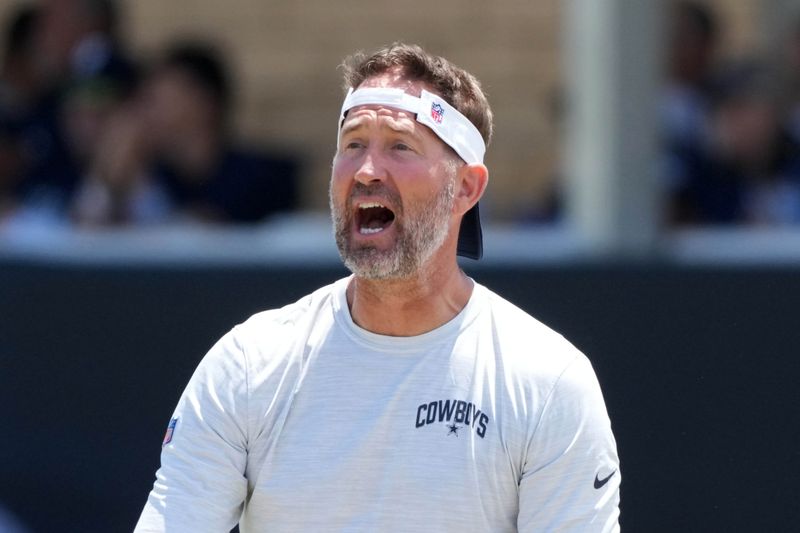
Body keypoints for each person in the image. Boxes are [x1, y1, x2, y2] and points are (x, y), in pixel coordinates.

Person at [135, 43, 620, 532]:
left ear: (466, 188)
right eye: (352, 144)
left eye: (400, 146)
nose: (366, 171)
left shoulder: (547, 382)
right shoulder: (247, 365)